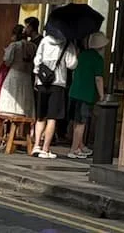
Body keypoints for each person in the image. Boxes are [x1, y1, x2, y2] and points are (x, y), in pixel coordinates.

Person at [30, 27, 79, 159]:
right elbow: (72, 64)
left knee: (41, 116)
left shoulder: (44, 41)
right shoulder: (67, 44)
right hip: (58, 83)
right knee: (52, 117)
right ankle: (45, 149)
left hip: (42, 82)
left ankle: (36, 145)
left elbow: (37, 60)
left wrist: (37, 77)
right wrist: (74, 52)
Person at [66, 31, 107, 158]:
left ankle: (80, 145)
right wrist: (102, 95)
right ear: (101, 47)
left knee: (76, 121)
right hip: (86, 94)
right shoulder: (98, 59)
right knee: (82, 123)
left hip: (74, 91)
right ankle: (74, 149)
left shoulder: (82, 55)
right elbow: (98, 78)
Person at [0, 17, 39, 121]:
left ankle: (8, 125)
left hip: (14, 75)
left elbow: (7, 61)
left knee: (10, 104)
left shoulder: (14, 46)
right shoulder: (33, 47)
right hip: (27, 78)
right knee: (24, 103)